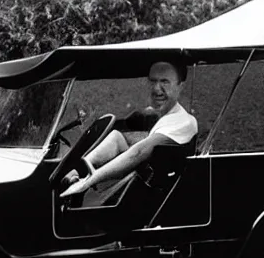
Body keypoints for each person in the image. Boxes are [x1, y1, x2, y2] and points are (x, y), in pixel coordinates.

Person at [60, 60, 198, 198]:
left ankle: (83, 177)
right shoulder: (162, 116)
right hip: (146, 181)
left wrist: (89, 181)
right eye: (153, 81)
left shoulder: (184, 121)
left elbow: (138, 152)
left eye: (165, 82)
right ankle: (76, 172)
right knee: (116, 137)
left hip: (158, 193)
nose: (156, 89)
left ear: (181, 86)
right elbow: (126, 132)